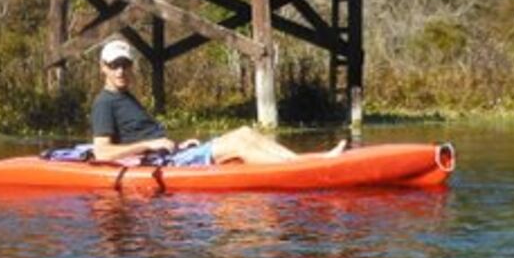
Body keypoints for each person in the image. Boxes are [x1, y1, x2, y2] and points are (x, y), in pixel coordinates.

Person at [91, 39, 346, 166]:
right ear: (103, 68)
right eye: (114, 66)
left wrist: (178, 144)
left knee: (246, 132)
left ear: (132, 67)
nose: (120, 71)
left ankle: (305, 162)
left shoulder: (126, 97)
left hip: (171, 153)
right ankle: (302, 168)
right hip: (164, 164)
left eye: (125, 65)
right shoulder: (104, 103)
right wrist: (152, 143)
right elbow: (102, 152)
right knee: (238, 144)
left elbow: (138, 131)